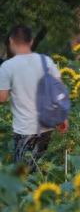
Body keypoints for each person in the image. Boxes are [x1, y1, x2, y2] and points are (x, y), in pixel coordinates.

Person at [0, 25, 68, 169]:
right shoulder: (46, 61)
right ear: (31, 41)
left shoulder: (7, 66)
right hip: (46, 125)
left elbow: (2, 98)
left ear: (11, 41)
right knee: (41, 168)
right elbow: (59, 91)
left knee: (23, 174)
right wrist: (63, 118)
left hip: (24, 129)